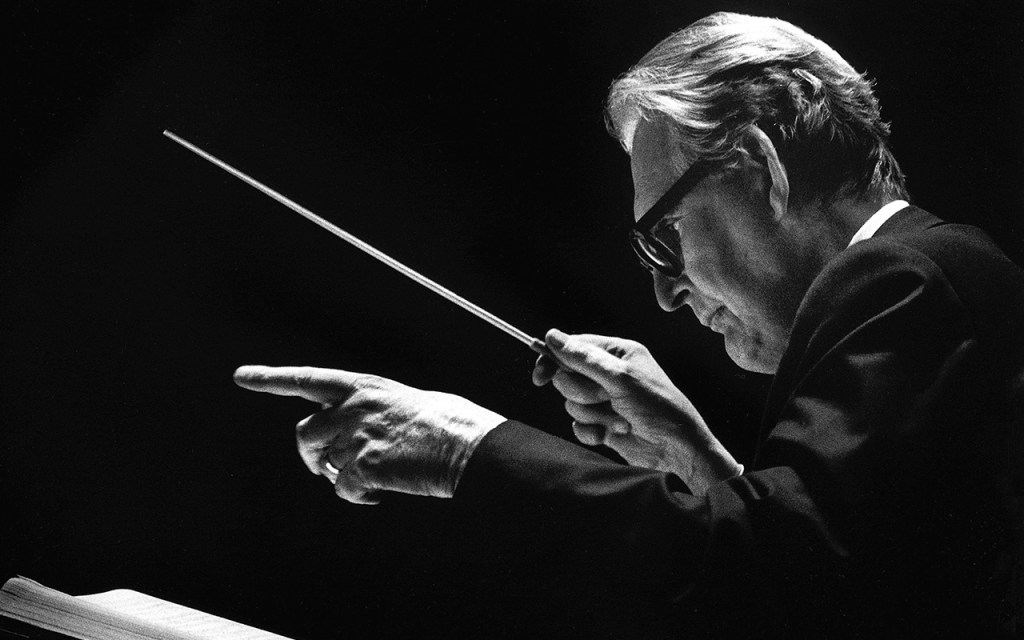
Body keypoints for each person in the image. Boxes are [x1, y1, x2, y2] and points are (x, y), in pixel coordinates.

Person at [233, 12, 1023, 638]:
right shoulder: (933, 272)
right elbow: (828, 600)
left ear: (759, 166)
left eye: (663, 237)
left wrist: (466, 448)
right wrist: (692, 459)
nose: (666, 296)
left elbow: (768, 583)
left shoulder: (904, 278)